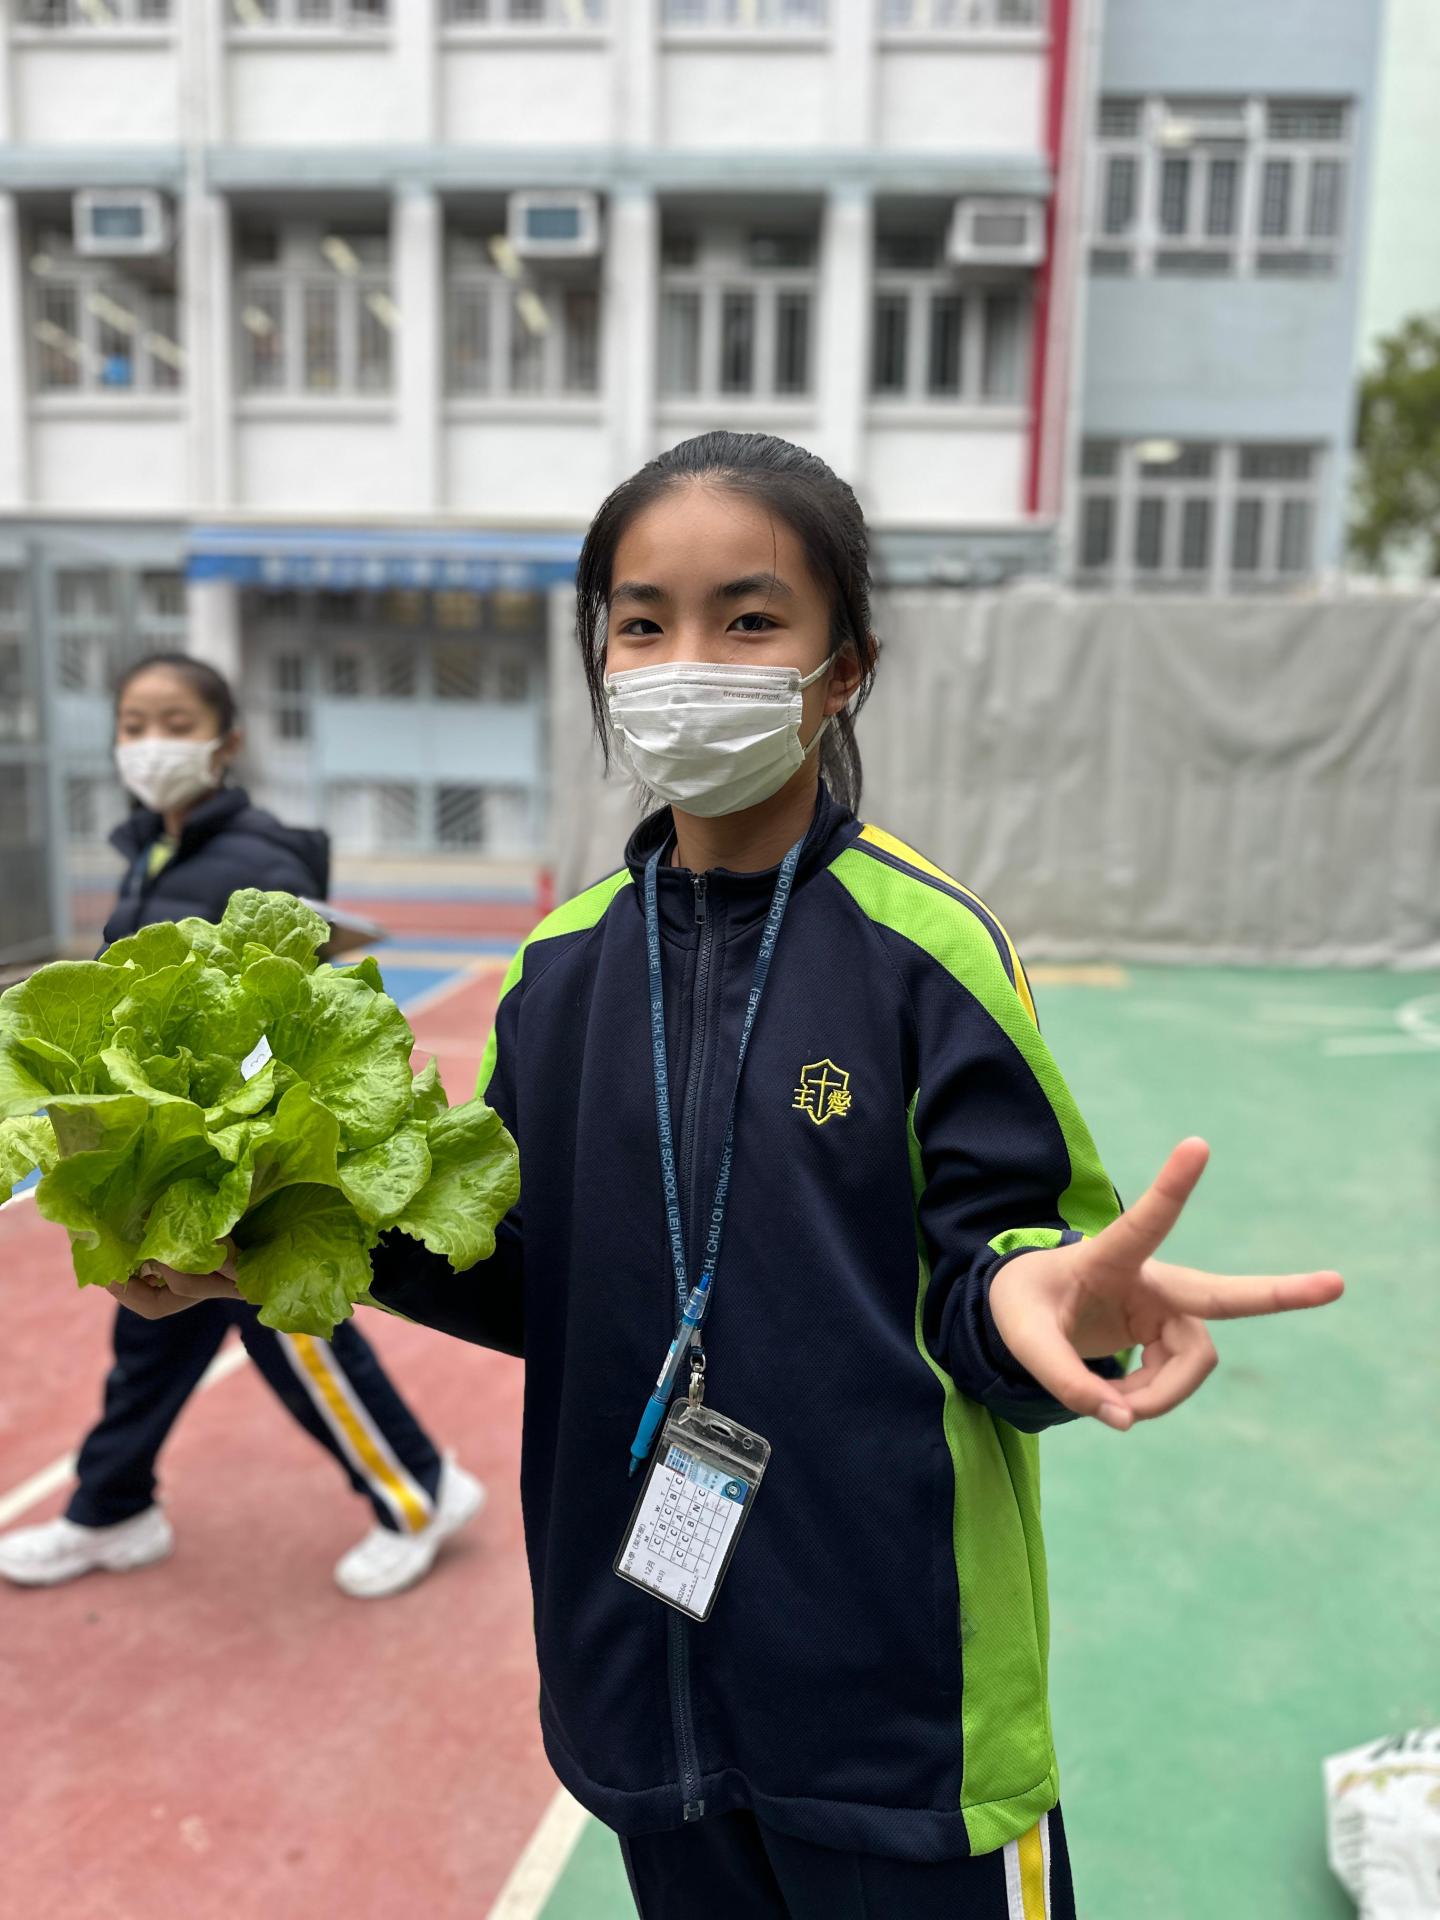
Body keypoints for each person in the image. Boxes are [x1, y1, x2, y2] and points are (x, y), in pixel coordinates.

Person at [114, 438, 1343, 1919]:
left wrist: (1048, 1299)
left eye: (748, 619)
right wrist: (275, 1244)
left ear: (843, 669)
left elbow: (1001, 1270)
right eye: (643, 623)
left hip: (900, 1721)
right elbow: (525, 1273)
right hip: (643, 1697)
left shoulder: (927, 952)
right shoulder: (560, 969)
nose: (686, 661)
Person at [0, 653, 483, 1602]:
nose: (150, 743)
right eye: (133, 724)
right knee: (151, 1340)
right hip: (164, 1173)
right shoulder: (153, 848)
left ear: (227, 740)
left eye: (174, 722)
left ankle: (420, 1489)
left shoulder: (258, 859)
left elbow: (282, 1014)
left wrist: (245, 1161)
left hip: (233, 1172)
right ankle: (111, 1506)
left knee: (294, 1323)